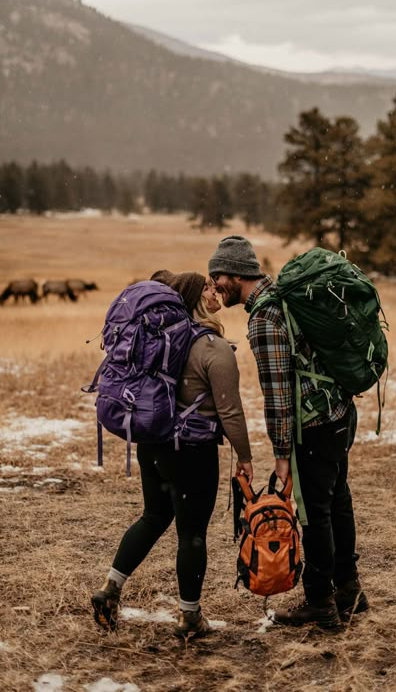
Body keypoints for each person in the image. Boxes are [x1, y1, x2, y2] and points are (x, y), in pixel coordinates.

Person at [208, 235, 368, 630]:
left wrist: (282, 456)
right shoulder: (288, 296)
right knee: (337, 500)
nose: (214, 286)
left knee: (315, 514)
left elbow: (278, 394)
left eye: (217, 277)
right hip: (337, 412)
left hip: (312, 425)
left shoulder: (264, 317)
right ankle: (349, 590)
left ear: (234, 275)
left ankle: (320, 602)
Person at [91, 270, 253, 638]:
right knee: (192, 534)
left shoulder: (165, 342)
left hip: (153, 445)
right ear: (197, 298)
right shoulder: (211, 348)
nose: (215, 292)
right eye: (208, 288)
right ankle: (190, 617)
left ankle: (110, 589)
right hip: (191, 453)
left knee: (153, 516)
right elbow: (230, 411)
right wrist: (245, 457)